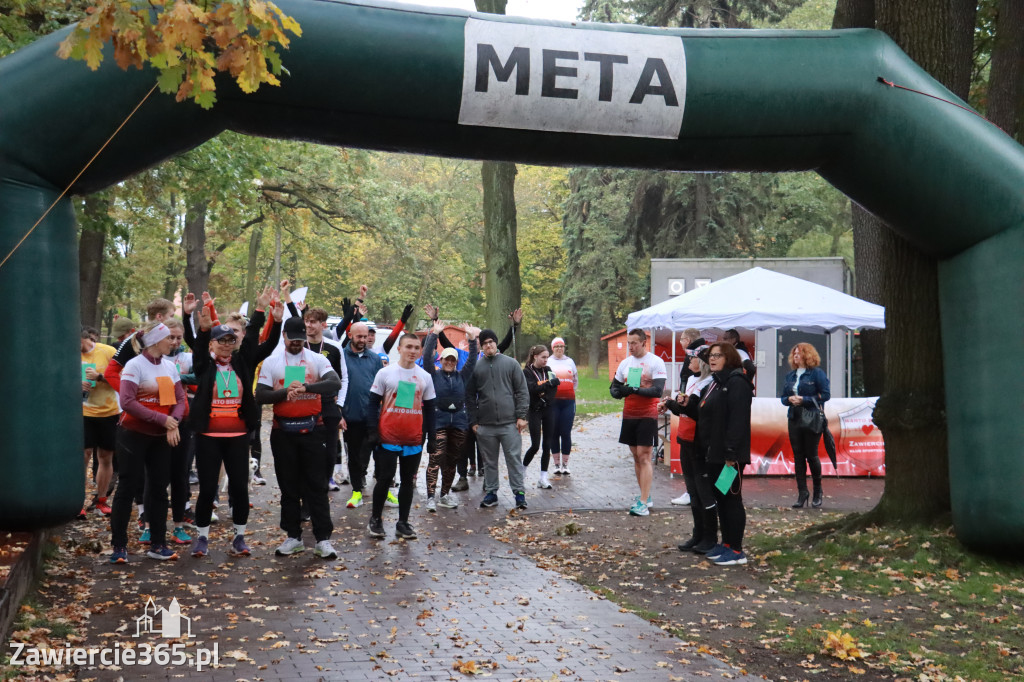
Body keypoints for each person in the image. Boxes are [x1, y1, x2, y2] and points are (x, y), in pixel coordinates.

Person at [189, 290, 282, 558]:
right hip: (208, 436)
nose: (227, 344)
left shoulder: (243, 363)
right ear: (213, 344)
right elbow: (198, 346)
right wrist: (204, 330)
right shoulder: (204, 366)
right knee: (208, 489)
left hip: (239, 436)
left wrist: (263, 312)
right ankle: (202, 538)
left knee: (240, 487)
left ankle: (239, 537)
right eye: (222, 341)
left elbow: (261, 341)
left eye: (231, 340)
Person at [256, 316, 342, 559]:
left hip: (313, 430)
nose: (296, 344)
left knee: (317, 485)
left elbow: (334, 382)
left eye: (300, 340)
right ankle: (293, 536)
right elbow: (260, 395)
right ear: (284, 336)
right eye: (292, 340)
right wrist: (285, 392)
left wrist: (306, 388)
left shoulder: (315, 359)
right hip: (283, 432)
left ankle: (323, 539)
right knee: (288, 486)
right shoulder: (272, 362)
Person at [108, 321, 188, 563]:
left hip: (159, 436)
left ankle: (158, 543)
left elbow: (180, 398)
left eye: (176, 339)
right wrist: (162, 419)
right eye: (169, 339)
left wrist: (172, 421)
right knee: (127, 487)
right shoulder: (134, 365)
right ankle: (119, 547)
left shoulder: (168, 365)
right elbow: (128, 401)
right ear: (155, 342)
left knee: (158, 489)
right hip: (132, 434)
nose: (175, 342)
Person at [678, 343, 753, 566]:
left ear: (729, 357)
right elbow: (703, 413)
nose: (712, 359)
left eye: (718, 355)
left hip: (729, 455)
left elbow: (737, 421)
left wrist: (731, 453)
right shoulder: (717, 383)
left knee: (732, 499)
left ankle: (737, 549)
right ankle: (727, 544)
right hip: (713, 453)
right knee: (722, 498)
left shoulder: (737, 383)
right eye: (711, 356)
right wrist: (683, 405)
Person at [365, 333, 437, 539]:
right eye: (409, 347)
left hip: (413, 438)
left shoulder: (425, 377)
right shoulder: (385, 373)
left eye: (416, 348)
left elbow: (431, 409)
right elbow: (372, 403)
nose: (413, 351)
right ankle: (376, 520)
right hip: (388, 436)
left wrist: (431, 437)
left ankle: (403, 523)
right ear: (399, 348)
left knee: (408, 481)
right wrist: (372, 431)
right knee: (385, 478)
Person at [467, 329, 530, 510]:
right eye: (485, 343)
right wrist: (474, 421)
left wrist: (521, 416)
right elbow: (470, 396)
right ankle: (491, 492)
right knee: (489, 461)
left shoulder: (511, 364)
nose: (488, 346)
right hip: (485, 425)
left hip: (510, 423)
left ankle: (519, 493)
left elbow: (522, 391)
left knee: (513, 459)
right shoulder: (477, 367)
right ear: (481, 346)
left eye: (491, 342)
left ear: (496, 343)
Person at [660, 349, 715, 550]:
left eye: (692, 358)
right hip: (685, 438)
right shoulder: (692, 379)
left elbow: (698, 411)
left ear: (702, 362)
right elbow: (685, 409)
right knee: (692, 490)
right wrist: (671, 404)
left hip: (699, 441)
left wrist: (682, 404)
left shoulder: (709, 383)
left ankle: (709, 537)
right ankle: (697, 534)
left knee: (702, 490)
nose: (688, 361)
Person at [421, 320, 479, 511]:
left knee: (452, 460)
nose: (449, 362)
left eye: (453, 360)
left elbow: (471, 360)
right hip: (439, 422)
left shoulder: (462, 375)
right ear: (442, 360)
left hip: (459, 423)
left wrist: (471, 339)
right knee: (436, 458)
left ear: (455, 362)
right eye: (446, 359)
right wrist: (434, 334)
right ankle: (431, 496)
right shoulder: (433, 374)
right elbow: (427, 358)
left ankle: (444, 494)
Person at [610, 329, 667, 516]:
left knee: (645, 455)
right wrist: (620, 392)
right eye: (629, 343)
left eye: (634, 343)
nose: (631, 347)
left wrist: (635, 390)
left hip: (647, 414)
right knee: (636, 456)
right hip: (630, 414)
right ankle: (646, 495)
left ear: (644, 343)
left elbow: (658, 391)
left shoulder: (655, 362)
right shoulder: (625, 363)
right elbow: (614, 388)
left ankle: (642, 502)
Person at [340, 321, 391, 510]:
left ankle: (384, 490)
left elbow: (383, 387)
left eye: (365, 336)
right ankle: (357, 492)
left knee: (379, 454)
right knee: (354, 457)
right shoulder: (341, 357)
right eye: (359, 336)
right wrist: (339, 413)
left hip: (372, 417)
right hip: (350, 417)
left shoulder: (374, 358)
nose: (363, 340)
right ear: (351, 335)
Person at [301, 306, 349, 492]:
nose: (308, 325)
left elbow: (344, 378)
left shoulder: (334, 347)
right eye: (306, 321)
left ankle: (327, 480)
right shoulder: (299, 345)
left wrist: (340, 405)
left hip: (328, 404)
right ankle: (307, 487)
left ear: (323, 325)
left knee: (330, 451)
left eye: (313, 322)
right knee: (308, 449)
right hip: (304, 403)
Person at [782, 342, 831, 508]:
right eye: (794, 353)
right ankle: (802, 492)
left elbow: (825, 395)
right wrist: (789, 399)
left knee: (812, 455)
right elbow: (782, 398)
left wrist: (805, 399)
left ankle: (818, 490)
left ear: (808, 355)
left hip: (812, 417)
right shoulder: (790, 376)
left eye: (799, 353)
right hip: (794, 417)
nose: (796, 356)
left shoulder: (816, 374)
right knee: (798, 456)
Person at [81, 328, 118, 518]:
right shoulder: (68, 355)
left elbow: (123, 380)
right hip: (84, 412)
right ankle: (77, 502)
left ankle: (101, 501)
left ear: (82, 337)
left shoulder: (107, 351)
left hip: (109, 412)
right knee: (83, 455)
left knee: (105, 457)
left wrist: (100, 377)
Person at [522, 344, 558, 489]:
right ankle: (522, 470)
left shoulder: (548, 370)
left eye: (547, 357)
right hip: (534, 410)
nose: (545, 360)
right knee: (535, 445)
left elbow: (554, 388)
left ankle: (543, 477)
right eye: (543, 357)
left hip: (547, 408)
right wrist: (547, 385)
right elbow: (531, 389)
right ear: (535, 356)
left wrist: (544, 393)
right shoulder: (527, 372)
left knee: (547, 445)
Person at [546, 337, 578, 475]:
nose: (559, 348)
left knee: (566, 432)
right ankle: (557, 464)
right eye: (556, 346)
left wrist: (569, 392)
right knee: (554, 433)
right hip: (553, 402)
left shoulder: (570, 361)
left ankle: (565, 464)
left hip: (568, 402)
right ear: (552, 348)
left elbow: (575, 380)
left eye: (561, 346)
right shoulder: (548, 361)